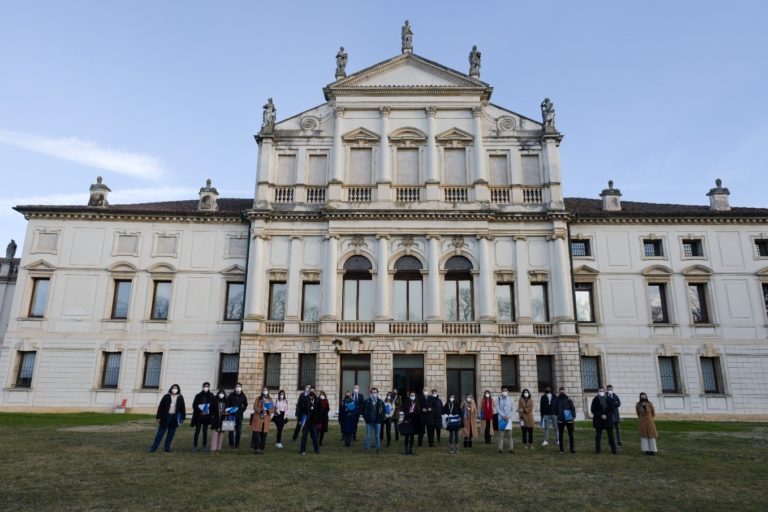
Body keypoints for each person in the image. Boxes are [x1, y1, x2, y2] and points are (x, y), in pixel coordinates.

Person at [149, 384, 186, 453]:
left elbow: (182, 408)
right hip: (166, 417)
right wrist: (158, 417)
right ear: (171, 389)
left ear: (178, 389)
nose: (174, 389)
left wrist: (183, 418)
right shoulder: (166, 396)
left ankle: (167, 448)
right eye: (173, 388)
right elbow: (161, 407)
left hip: (174, 418)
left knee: (171, 433)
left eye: (176, 388)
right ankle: (153, 448)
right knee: (160, 433)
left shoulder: (180, 397)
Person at [591, 387, 617, 454]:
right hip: (598, 420)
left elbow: (612, 410)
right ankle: (597, 450)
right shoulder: (595, 399)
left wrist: (606, 415)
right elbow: (593, 410)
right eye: (600, 391)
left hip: (608, 420)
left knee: (611, 436)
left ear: (605, 391)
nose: (601, 392)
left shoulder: (609, 399)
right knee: (598, 436)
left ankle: (614, 450)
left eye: (602, 391)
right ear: (598, 392)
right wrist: (601, 415)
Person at [191, 381, 213, 452]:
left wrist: (208, 411)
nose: (206, 387)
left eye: (207, 386)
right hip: (199, 416)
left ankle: (204, 446)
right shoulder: (198, 395)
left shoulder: (211, 395)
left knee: (205, 431)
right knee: (197, 431)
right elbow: (194, 405)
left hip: (207, 417)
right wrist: (201, 411)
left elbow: (212, 405)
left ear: (209, 387)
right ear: (202, 387)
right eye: (204, 386)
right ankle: (195, 446)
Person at [250, 388, 273, 454]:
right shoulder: (258, 399)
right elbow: (255, 407)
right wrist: (261, 411)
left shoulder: (270, 399)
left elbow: (273, 408)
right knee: (257, 434)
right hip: (258, 418)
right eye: (264, 390)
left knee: (264, 435)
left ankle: (261, 448)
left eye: (266, 390)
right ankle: (256, 448)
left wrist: (268, 411)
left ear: (268, 391)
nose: (265, 391)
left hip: (266, 420)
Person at [363, 387, 386, 454]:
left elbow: (383, 411)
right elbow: (362, 410)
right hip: (369, 421)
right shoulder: (367, 401)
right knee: (368, 435)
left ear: (377, 393)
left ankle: (378, 449)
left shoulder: (380, 402)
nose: (374, 393)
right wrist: (366, 418)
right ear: (370, 393)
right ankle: (367, 448)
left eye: (375, 392)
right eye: (373, 392)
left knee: (377, 435)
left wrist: (380, 418)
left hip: (377, 422)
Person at [555, 387, 576, 454]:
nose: (562, 393)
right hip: (560, 420)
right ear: (559, 392)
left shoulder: (569, 399)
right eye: (561, 392)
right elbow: (554, 409)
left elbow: (572, 408)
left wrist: (573, 416)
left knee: (571, 435)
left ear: (565, 392)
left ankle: (572, 449)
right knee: (560, 435)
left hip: (569, 419)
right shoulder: (557, 400)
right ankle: (561, 449)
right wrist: (558, 415)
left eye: (563, 391)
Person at [226, 383, 248, 448]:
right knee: (230, 430)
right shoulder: (231, 395)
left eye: (239, 386)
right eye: (237, 386)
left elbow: (245, 404)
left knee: (238, 430)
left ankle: (237, 444)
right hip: (231, 415)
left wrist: (241, 410)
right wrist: (229, 410)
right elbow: (227, 404)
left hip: (239, 415)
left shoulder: (243, 396)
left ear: (241, 388)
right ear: (235, 388)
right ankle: (231, 444)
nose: (238, 388)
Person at [299, 390, 321, 455]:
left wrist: (318, 421)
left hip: (313, 422)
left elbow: (319, 410)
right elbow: (301, 410)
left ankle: (316, 449)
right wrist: (300, 420)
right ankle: (302, 450)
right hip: (306, 421)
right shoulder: (305, 400)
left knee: (315, 436)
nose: (311, 395)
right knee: (304, 436)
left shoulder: (316, 400)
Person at [495, 387, 515, 454]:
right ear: (501, 391)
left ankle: (511, 449)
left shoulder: (511, 399)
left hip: (508, 419)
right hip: (501, 419)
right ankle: (500, 449)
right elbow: (497, 409)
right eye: (503, 390)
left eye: (505, 390)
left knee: (509, 435)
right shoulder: (498, 399)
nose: (504, 392)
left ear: (507, 391)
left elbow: (513, 409)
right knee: (501, 435)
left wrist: (508, 416)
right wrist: (504, 416)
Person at [209, 389, 229, 455]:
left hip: (223, 420)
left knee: (221, 436)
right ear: (218, 394)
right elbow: (210, 409)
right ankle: (213, 449)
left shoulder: (226, 401)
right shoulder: (214, 400)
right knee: (215, 435)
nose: (221, 394)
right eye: (220, 393)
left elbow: (229, 410)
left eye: (222, 393)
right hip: (215, 419)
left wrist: (227, 413)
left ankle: (218, 449)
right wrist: (212, 417)